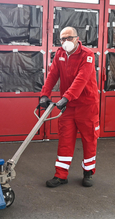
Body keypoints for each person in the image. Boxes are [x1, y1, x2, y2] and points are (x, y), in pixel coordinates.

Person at [39, 26, 99, 188]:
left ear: (77, 38)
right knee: (65, 139)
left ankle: (88, 172)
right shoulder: (59, 54)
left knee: (89, 139)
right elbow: (52, 74)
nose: (65, 42)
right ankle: (61, 175)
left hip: (87, 105)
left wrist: (66, 98)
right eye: (62, 39)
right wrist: (45, 94)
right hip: (68, 105)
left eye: (69, 38)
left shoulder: (87, 55)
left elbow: (81, 80)